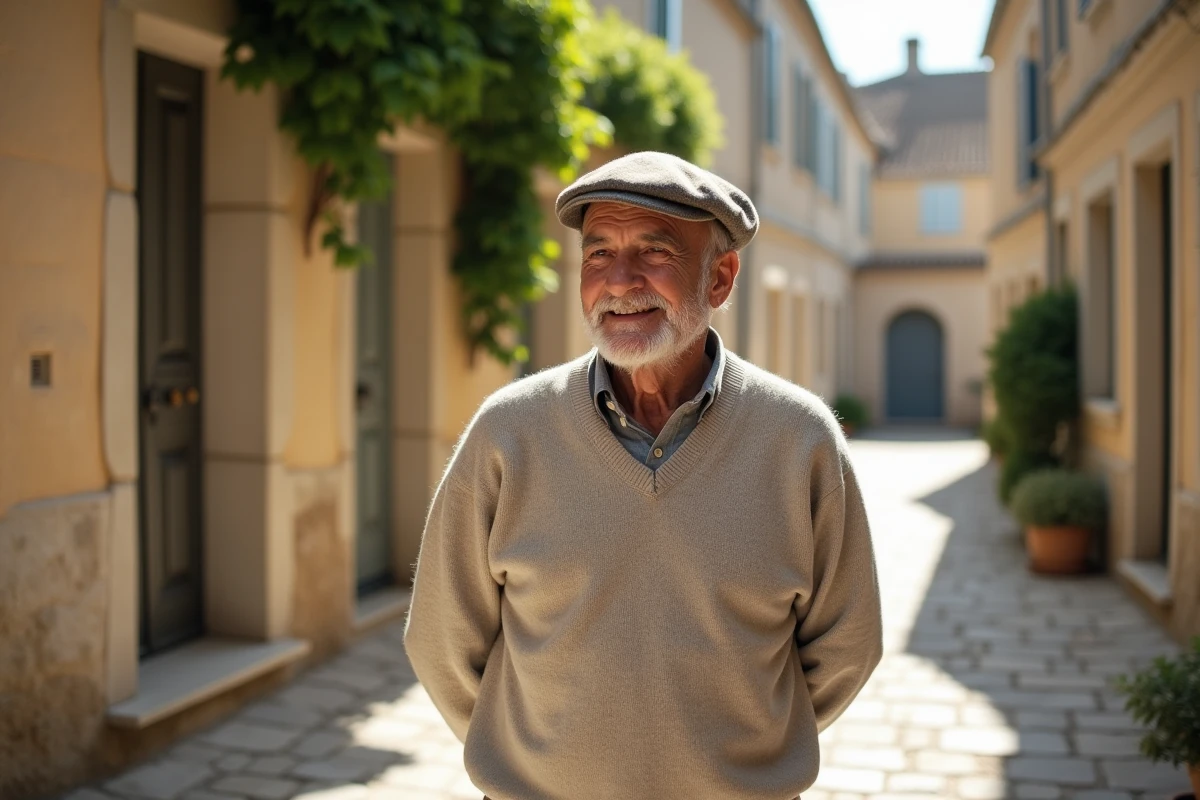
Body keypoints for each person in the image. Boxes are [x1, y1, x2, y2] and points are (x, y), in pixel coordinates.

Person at [404, 151, 883, 800]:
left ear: (720, 278)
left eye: (654, 252)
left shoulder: (799, 441)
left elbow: (847, 646)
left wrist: (740, 763)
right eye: (598, 254)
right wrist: (535, 766)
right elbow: (441, 641)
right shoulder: (508, 433)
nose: (619, 281)